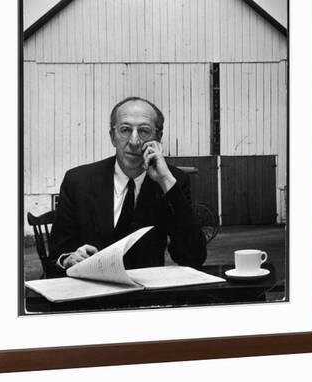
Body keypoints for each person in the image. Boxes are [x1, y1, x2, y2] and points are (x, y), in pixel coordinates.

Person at [47, 96, 207, 277]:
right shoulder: (78, 181)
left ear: (158, 138)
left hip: (145, 294)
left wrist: (166, 182)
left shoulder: (173, 180)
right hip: (91, 291)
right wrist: (69, 260)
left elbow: (194, 257)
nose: (134, 141)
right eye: (125, 130)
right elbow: (55, 258)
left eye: (144, 131)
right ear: (112, 137)